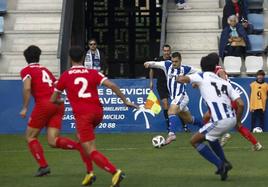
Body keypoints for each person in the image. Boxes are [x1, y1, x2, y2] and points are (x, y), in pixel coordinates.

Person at [51, 46, 138, 186]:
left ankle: (115, 172)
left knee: (90, 149)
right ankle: (89, 173)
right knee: (80, 140)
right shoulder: (92, 72)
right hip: (98, 113)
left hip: (83, 116)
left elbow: (53, 99)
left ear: (70, 59)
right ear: (84, 58)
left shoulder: (65, 76)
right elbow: (112, 85)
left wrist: (61, 100)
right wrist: (125, 100)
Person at [19, 45, 92, 178]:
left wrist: (24, 107)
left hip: (44, 104)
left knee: (30, 136)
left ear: (26, 58)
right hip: (58, 104)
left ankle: (43, 166)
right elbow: (57, 85)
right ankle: (79, 147)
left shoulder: (26, 71)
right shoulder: (45, 70)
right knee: (53, 141)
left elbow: (27, 88)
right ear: (38, 57)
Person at [177, 54, 245, 181]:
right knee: (212, 138)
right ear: (215, 68)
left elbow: (182, 79)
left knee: (194, 141)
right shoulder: (225, 82)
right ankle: (225, 162)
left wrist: (176, 77)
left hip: (220, 120)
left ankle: (221, 165)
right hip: (231, 118)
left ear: (203, 68)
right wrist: (238, 122)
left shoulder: (202, 76)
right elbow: (241, 104)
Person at [201, 53, 262, 151]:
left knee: (210, 117)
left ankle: (223, 134)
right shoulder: (218, 70)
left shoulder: (218, 70)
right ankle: (256, 143)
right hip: (230, 100)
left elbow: (224, 83)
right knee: (236, 125)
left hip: (227, 100)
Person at [144, 52, 203, 145]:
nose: (174, 63)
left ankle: (172, 134)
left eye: (176, 61)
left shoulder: (186, 69)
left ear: (180, 60)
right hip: (174, 97)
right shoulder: (167, 65)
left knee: (171, 112)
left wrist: (195, 81)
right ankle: (207, 127)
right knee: (189, 120)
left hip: (181, 96)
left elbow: (200, 72)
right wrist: (148, 63)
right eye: (173, 61)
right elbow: (156, 64)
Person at [149, 44, 189, 132]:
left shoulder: (173, 60)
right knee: (165, 104)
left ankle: (184, 125)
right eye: (165, 51)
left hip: (173, 85)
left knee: (176, 105)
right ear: (163, 51)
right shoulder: (159, 60)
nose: (166, 52)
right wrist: (151, 81)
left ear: (170, 51)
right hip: (161, 84)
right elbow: (151, 68)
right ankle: (169, 126)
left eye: (168, 51)